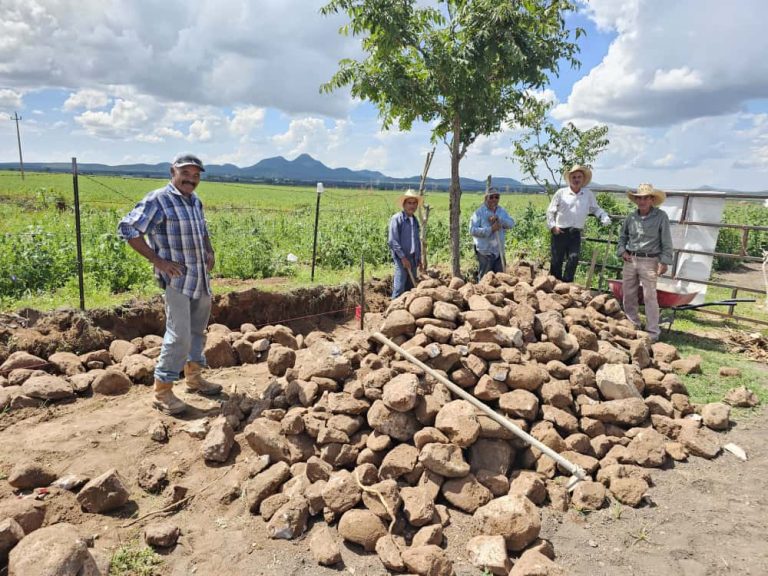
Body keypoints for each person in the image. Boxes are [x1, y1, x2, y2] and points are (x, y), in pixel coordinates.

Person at [118, 153, 222, 415]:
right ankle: (162, 391)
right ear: (172, 172)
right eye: (185, 173)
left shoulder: (195, 201)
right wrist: (158, 261)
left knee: (198, 331)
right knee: (179, 336)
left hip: (200, 278)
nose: (191, 179)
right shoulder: (158, 199)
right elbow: (128, 228)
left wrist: (210, 251)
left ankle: (194, 378)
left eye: (196, 175)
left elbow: (202, 230)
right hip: (178, 281)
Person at [616, 183, 673, 342]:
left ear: (652, 199)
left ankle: (653, 332)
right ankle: (633, 324)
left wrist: (664, 260)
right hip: (631, 259)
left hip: (650, 259)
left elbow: (666, 240)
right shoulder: (631, 217)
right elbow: (622, 237)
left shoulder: (661, 217)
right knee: (628, 293)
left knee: (650, 296)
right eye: (639, 198)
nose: (642, 201)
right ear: (636, 200)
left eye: (646, 198)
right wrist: (623, 251)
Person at [546, 164, 611, 282]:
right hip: (560, 230)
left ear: (583, 179)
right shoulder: (561, 193)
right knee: (556, 260)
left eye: (579, 177)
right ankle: (554, 286)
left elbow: (595, 208)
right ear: (570, 179)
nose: (576, 179)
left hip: (575, 232)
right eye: (574, 177)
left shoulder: (588, 194)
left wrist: (603, 215)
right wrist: (552, 226)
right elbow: (551, 210)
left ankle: (566, 284)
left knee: (574, 257)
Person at [469, 187, 515, 281]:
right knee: (485, 279)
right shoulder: (479, 213)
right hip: (485, 252)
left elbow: (511, 224)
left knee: (501, 279)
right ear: (486, 198)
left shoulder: (501, 211)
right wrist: (490, 229)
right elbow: (472, 230)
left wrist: (500, 220)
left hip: (499, 252)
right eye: (491, 197)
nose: (494, 199)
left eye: (497, 197)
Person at [387, 189, 424, 299]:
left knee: (410, 287)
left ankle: (405, 312)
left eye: (414, 203)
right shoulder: (397, 219)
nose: (412, 206)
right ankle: (393, 310)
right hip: (401, 258)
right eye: (409, 203)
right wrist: (403, 258)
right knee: (399, 286)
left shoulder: (415, 220)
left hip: (413, 258)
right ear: (404, 204)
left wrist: (418, 258)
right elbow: (392, 241)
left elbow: (416, 240)